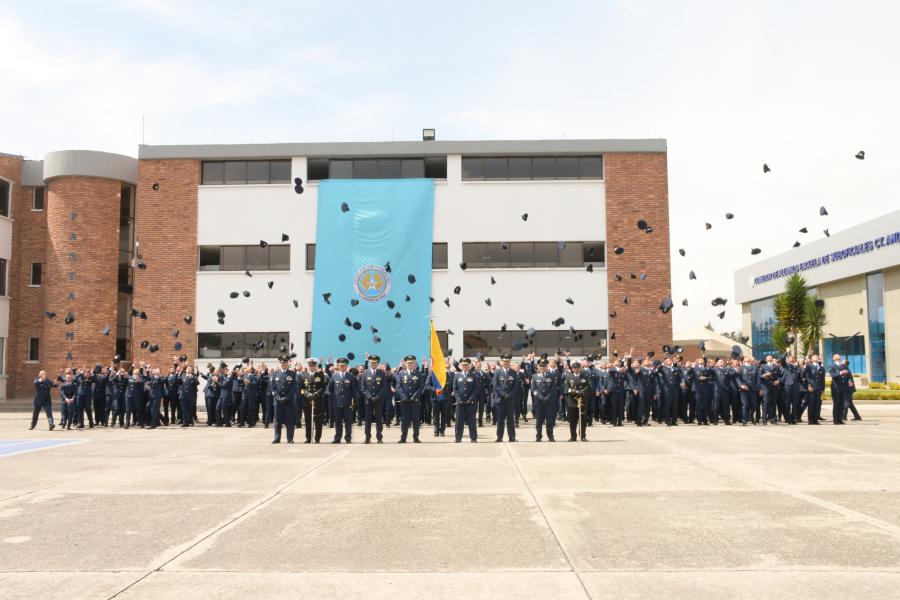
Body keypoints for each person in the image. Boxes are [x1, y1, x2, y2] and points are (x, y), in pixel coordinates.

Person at [326, 357, 358, 443]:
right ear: (338, 366)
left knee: (348, 422)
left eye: (344, 365)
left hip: (348, 403)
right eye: (340, 366)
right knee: (338, 422)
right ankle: (337, 438)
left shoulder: (351, 377)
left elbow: (354, 391)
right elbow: (330, 390)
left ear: (347, 366)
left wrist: (354, 402)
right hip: (337, 403)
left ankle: (348, 438)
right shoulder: (334, 376)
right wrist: (332, 401)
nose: (342, 367)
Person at [396, 355, 425, 443]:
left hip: (415, 401)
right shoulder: (401, 373)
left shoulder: (418, 373)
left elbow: (421, 387)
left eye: (411, 363)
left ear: (414, 363)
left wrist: (414, 396)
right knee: (404, 420)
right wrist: (404, 396)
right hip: (405, 401)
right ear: (405, 363)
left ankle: (415, 437)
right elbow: (398, 386)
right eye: (408, 363)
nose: (410, 364)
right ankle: (403, 438)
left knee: (416, 420)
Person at [360, 355, 388, 444]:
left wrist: (377, 396)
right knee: (368, 420)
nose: (373, 364)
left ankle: (379, 437)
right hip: (368, 401)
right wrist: (369, 396)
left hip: (378, 400)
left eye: (375, 362)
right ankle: (367, 437)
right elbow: (363, 387)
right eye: (371, 362)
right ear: (369, 363)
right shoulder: (365, 373)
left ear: (377, 363)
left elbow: (384, 387)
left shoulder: (381, 373)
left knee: (379, 419)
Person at [270, 356, 298, 443]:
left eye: (285, 363)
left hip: (288, 402)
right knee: (277, 421)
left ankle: (290, 439)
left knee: (290, 421)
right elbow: (273, 388)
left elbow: (293, 388)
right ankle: (277, 438)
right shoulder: (275, 374)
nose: (284, 364)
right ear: (280, 363)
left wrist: (286, 398)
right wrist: (278, 398)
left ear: (288, 363)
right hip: (278, 402)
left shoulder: (293, 374)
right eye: (282, 363)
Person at [452, 357, 479, 443]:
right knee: (459, 422)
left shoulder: (473, 375)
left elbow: (475, 388)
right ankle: (458, 438)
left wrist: (471, 399)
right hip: (460, 403)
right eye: (463, 365)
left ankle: (473, 438)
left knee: (472, 421)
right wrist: (459, 399)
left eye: (466, 365)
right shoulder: (457, 376)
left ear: (469, 366)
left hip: (470, 403)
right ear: (460, 365)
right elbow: (455, 389)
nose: (464, 366)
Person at [492, 354, 518, 442]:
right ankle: (499, 437)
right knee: (500, 420)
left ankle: (512, 437)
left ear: (509, 362)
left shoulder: (513, 372)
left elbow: (516, 386)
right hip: (500, 400)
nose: (506, 362)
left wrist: (509, 395)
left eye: (507, 361)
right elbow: (495, 386)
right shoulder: (497, 372)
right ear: (502, 362)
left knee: (511, 420)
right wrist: (503, 394)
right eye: (504, 361)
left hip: (510, 400)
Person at [301, 358, 327, 443]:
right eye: (310, 366)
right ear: (308, 366)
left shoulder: (320, 375)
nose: (312, 367)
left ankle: (317, 438)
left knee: (318, 422)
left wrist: (316, 394)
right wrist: (307, 394)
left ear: (316, 366)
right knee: (308, 421)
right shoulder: (303, 375)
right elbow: (300, 389)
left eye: (313, 366)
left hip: (317, 401)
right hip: (307, 401)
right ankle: (308, 438)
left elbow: (323, 387)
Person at [564, 361, 591, 441]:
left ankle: (583, 436)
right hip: (572, 401)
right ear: (572, 368)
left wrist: (582, 391)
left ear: (580, 368)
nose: (576, 369)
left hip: (582, 400)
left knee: (583, 420)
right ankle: (573, 437)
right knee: (572, 420)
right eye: (574, 368)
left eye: (578, 367)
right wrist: (575, 392)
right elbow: (566, 388)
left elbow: (588, 386)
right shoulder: (569, 377)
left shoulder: (585, 376)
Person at [532, 359, 557, 441]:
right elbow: (533, 389)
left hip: (549, 402)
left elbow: (553, 388)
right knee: (538, 421)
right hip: (539, 402)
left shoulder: (551, 376)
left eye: (544, 366)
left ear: (547, 367)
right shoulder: (534, 376)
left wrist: (547, 397)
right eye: (541, 366)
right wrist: (541, 397)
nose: (542, 368)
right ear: (538, 367)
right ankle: (538, 436)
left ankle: (550, 436)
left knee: (549, 421)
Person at [828, 354, 851, 425]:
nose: (839, 358)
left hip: (843, 387)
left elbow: (848, 374)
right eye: (837, 357)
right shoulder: (832, 366)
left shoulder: (843, 365)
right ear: (834, 358)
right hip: (836, 387)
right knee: (836, 403)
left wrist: (849, 381)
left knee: (842, 404)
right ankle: (835, 419)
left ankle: (840, 419)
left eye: (839, 357)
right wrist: (841, 372)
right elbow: (832, 375)